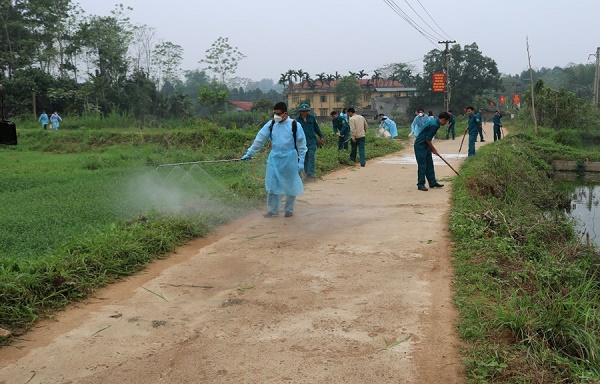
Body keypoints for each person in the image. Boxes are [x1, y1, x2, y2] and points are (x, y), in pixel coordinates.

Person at [241, 102, 308, 218]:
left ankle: (289, 209)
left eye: (278, 114)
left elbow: (302, 145)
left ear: (285, 113)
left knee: (290, 184)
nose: (276, 116)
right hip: (274, 158)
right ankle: (273, 210)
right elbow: (260, 139)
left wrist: (301, 161)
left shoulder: (295, 125)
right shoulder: (271, 124)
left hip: (290, 158)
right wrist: (250, 152)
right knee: (272, 183)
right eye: (274, 113)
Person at [414, 111, 450, 191]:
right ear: (443, 119)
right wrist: (433, 149)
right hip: (420, 146)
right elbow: (427, 139)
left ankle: (432, 182)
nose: (446, 123)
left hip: (425, 145)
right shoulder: (434, 125)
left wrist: (431, 148)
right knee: (422, 165)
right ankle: (421, 184)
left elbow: (427, 139)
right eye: (446, 121)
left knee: (429, 164)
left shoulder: (435, 122)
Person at [296, 103, 324, 179]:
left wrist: (321, 136)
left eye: (306, 111)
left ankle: (310, 173)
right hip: (302, 143)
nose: (304, 112)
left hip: (311, 141)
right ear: (300, 112)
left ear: (308, 111)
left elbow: (316, 128)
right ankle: (306, 173)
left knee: (311, 156)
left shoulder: (312, 118)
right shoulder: (297, 120)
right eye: (303, 111)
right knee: (304, 158)